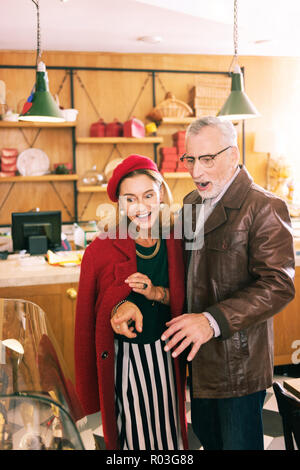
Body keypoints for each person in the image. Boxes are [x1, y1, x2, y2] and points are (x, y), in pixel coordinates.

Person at [161, 116, 295, 450]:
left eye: (207, 159)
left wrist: (211, 321)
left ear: (233, 155)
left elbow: (279, 284)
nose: (196, 172)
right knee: (209, 441)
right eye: (191, 159)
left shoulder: (264, 205)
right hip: (199, 361)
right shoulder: (191, 203)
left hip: (239, 367)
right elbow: (183, 269)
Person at [74, 154, 188, 450]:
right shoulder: (99, 249)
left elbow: (193, 298)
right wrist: (116, 309)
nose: (141, 206)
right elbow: (88, 322)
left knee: (170, 436)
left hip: (168, 356)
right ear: (120, 204)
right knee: (134, 439)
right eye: (130, 198)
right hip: (125, 361)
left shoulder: (178, 239)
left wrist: (155, 293)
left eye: (149, 195)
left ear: (161, 193)